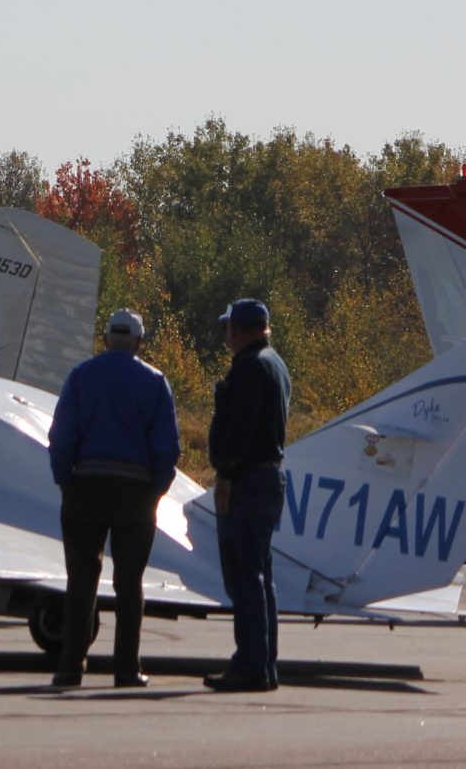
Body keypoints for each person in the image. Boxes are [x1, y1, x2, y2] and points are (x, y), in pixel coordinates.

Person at [47, 308, 179, 689]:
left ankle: (70, 667)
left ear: (106, 340)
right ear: (139, 343)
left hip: (85, 487)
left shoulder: (81, 377)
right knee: (130, 583)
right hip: (135, 494)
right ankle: (126, 668)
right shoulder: (155, 382)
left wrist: (66, 482)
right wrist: (156, 490)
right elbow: (167, 448)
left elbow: (62, 438)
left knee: (81, 581)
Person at [204, 296, 290, 693]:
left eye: (228, 328)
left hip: (247, 481)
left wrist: (225, 475)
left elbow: (239, 430)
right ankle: (263, 663)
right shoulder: (274, 363)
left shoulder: (250, 368)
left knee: (244, 576)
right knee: (260, 576)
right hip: (268, 479)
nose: (226, 335)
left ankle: (250, 665)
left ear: (238, 330)